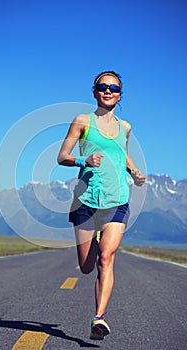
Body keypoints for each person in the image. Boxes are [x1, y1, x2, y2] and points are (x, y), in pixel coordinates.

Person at [57, 71, 146, 340]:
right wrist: (84, 161)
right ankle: (94, 238)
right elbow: (62, 157)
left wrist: (134, 172)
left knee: (106, 258)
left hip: (116, 200)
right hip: (85, 201)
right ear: (94, 91)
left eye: (114, 88)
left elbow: (122, 153)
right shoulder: (82, 121)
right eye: (103, 87)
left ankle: (99, 318)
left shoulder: (126, 127)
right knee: (86, 266)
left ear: (120, 94)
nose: (108, 91)